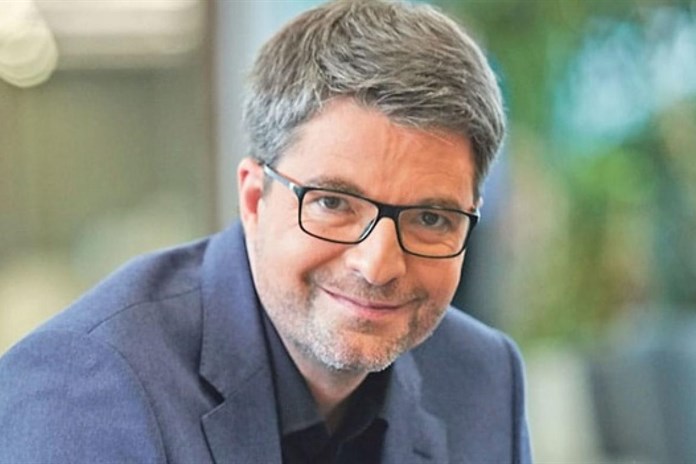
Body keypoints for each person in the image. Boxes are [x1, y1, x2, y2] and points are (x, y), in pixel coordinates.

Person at [0, 0, 532, 462]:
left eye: (431, 218)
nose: (377, 266)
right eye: (333, 204)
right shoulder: (85, 387)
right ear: (255, 198)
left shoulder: (483, 378)